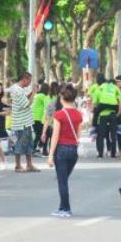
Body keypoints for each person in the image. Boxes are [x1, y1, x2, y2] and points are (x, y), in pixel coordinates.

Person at [47, 84, 82, 218]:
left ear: (62, 97)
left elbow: (55, 136)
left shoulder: (59, 114)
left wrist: (50, 155)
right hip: (73, 150)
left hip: (61, 149)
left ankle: (65, 208)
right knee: (64, 179)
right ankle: (63, 207)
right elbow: (78, 135)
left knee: (62, 181)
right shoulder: (78, 114)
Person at [10, 72, 38, 171]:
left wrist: (31, 93)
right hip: (20, 123)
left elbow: (25, 99)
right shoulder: (18, 90)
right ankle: (17, 165)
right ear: (24, 79)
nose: (30, 83)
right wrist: (33, 92)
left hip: (26, 121)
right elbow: (27, 104)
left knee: (29, 144)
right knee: (19, 144)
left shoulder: (17, 88)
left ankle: (29, 164)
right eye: (29, 80)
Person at [32, 83, 51, 155]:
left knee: (38, 134)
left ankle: (36, 148)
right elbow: (48, 107)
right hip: (40, 118)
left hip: (34, 117)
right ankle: (43, 150)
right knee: (45, 133)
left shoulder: (37, 96)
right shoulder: (44, 97)